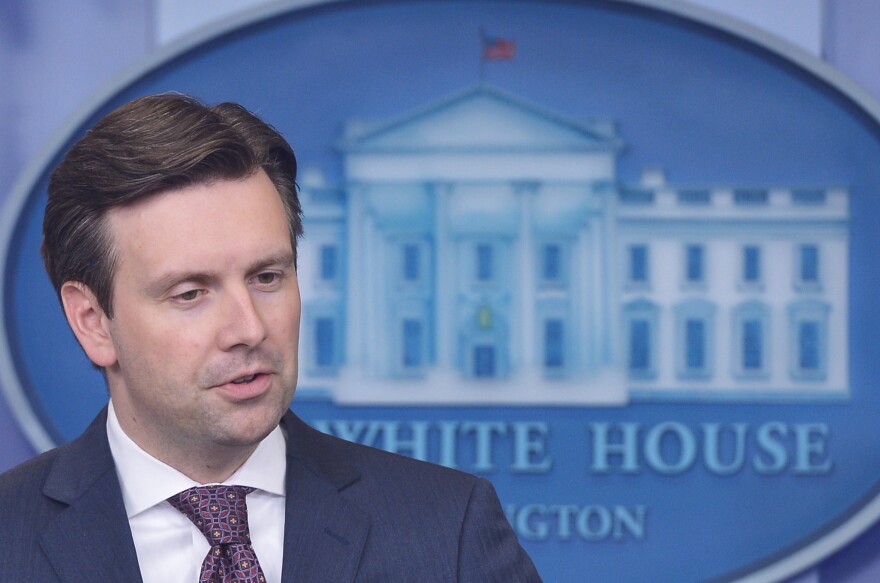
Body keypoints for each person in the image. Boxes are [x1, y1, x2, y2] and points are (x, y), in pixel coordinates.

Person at [0, 94, 542, 582]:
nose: (250, 329)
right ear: (93, 321)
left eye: (266, 277)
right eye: (191, 293)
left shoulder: (448, 533)